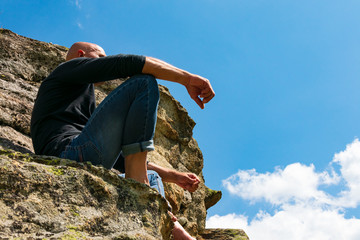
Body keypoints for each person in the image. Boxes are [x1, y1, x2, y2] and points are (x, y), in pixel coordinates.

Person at [30, 42, 215, 240]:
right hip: (66, 157)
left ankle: (177, 233)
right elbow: (127, 63)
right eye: (101, 57)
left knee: (153, 178)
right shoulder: (65, 71)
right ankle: (139, 185)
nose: (104, 61)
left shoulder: (82, 97)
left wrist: (175, 176)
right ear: (81, 55)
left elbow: (119, 158)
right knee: (143, 82)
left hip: (83, 155)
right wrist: (186, 79)